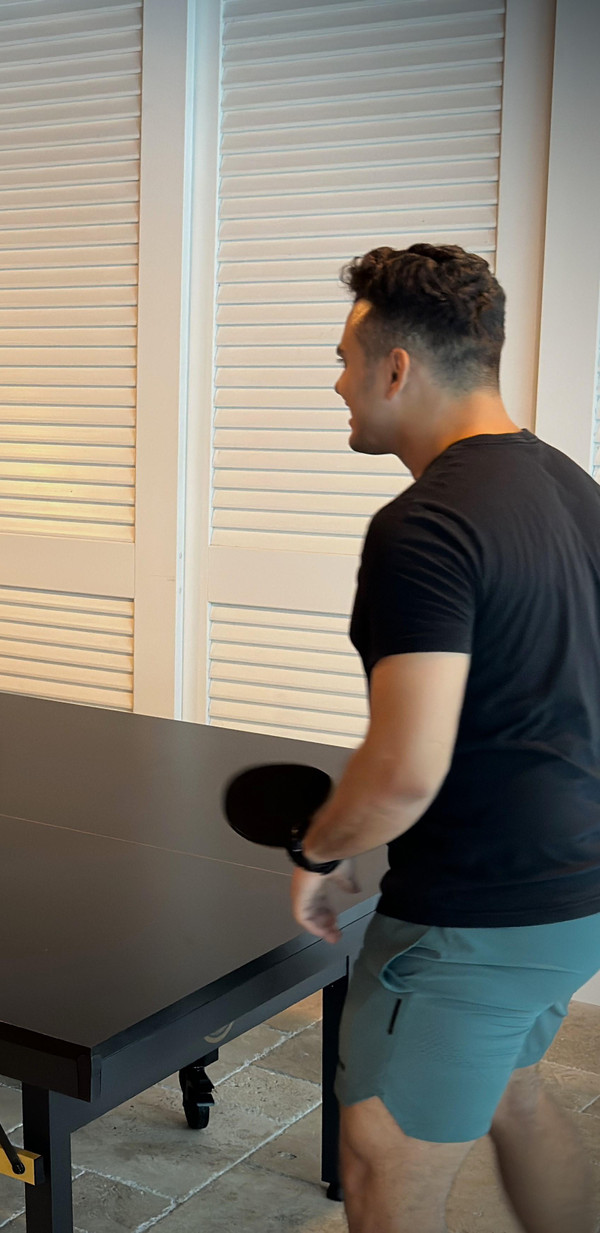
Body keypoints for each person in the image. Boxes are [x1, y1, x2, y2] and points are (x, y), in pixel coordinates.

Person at [288, 245, 600, 1233]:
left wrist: (320, 851)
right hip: (573, 891)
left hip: (479, 913)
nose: (337, 383)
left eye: (345, 359)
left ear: (397, 368)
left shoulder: (424, 525)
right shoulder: (573, 487)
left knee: (382, 1156)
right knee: (511, 1092)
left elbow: (401, 773)